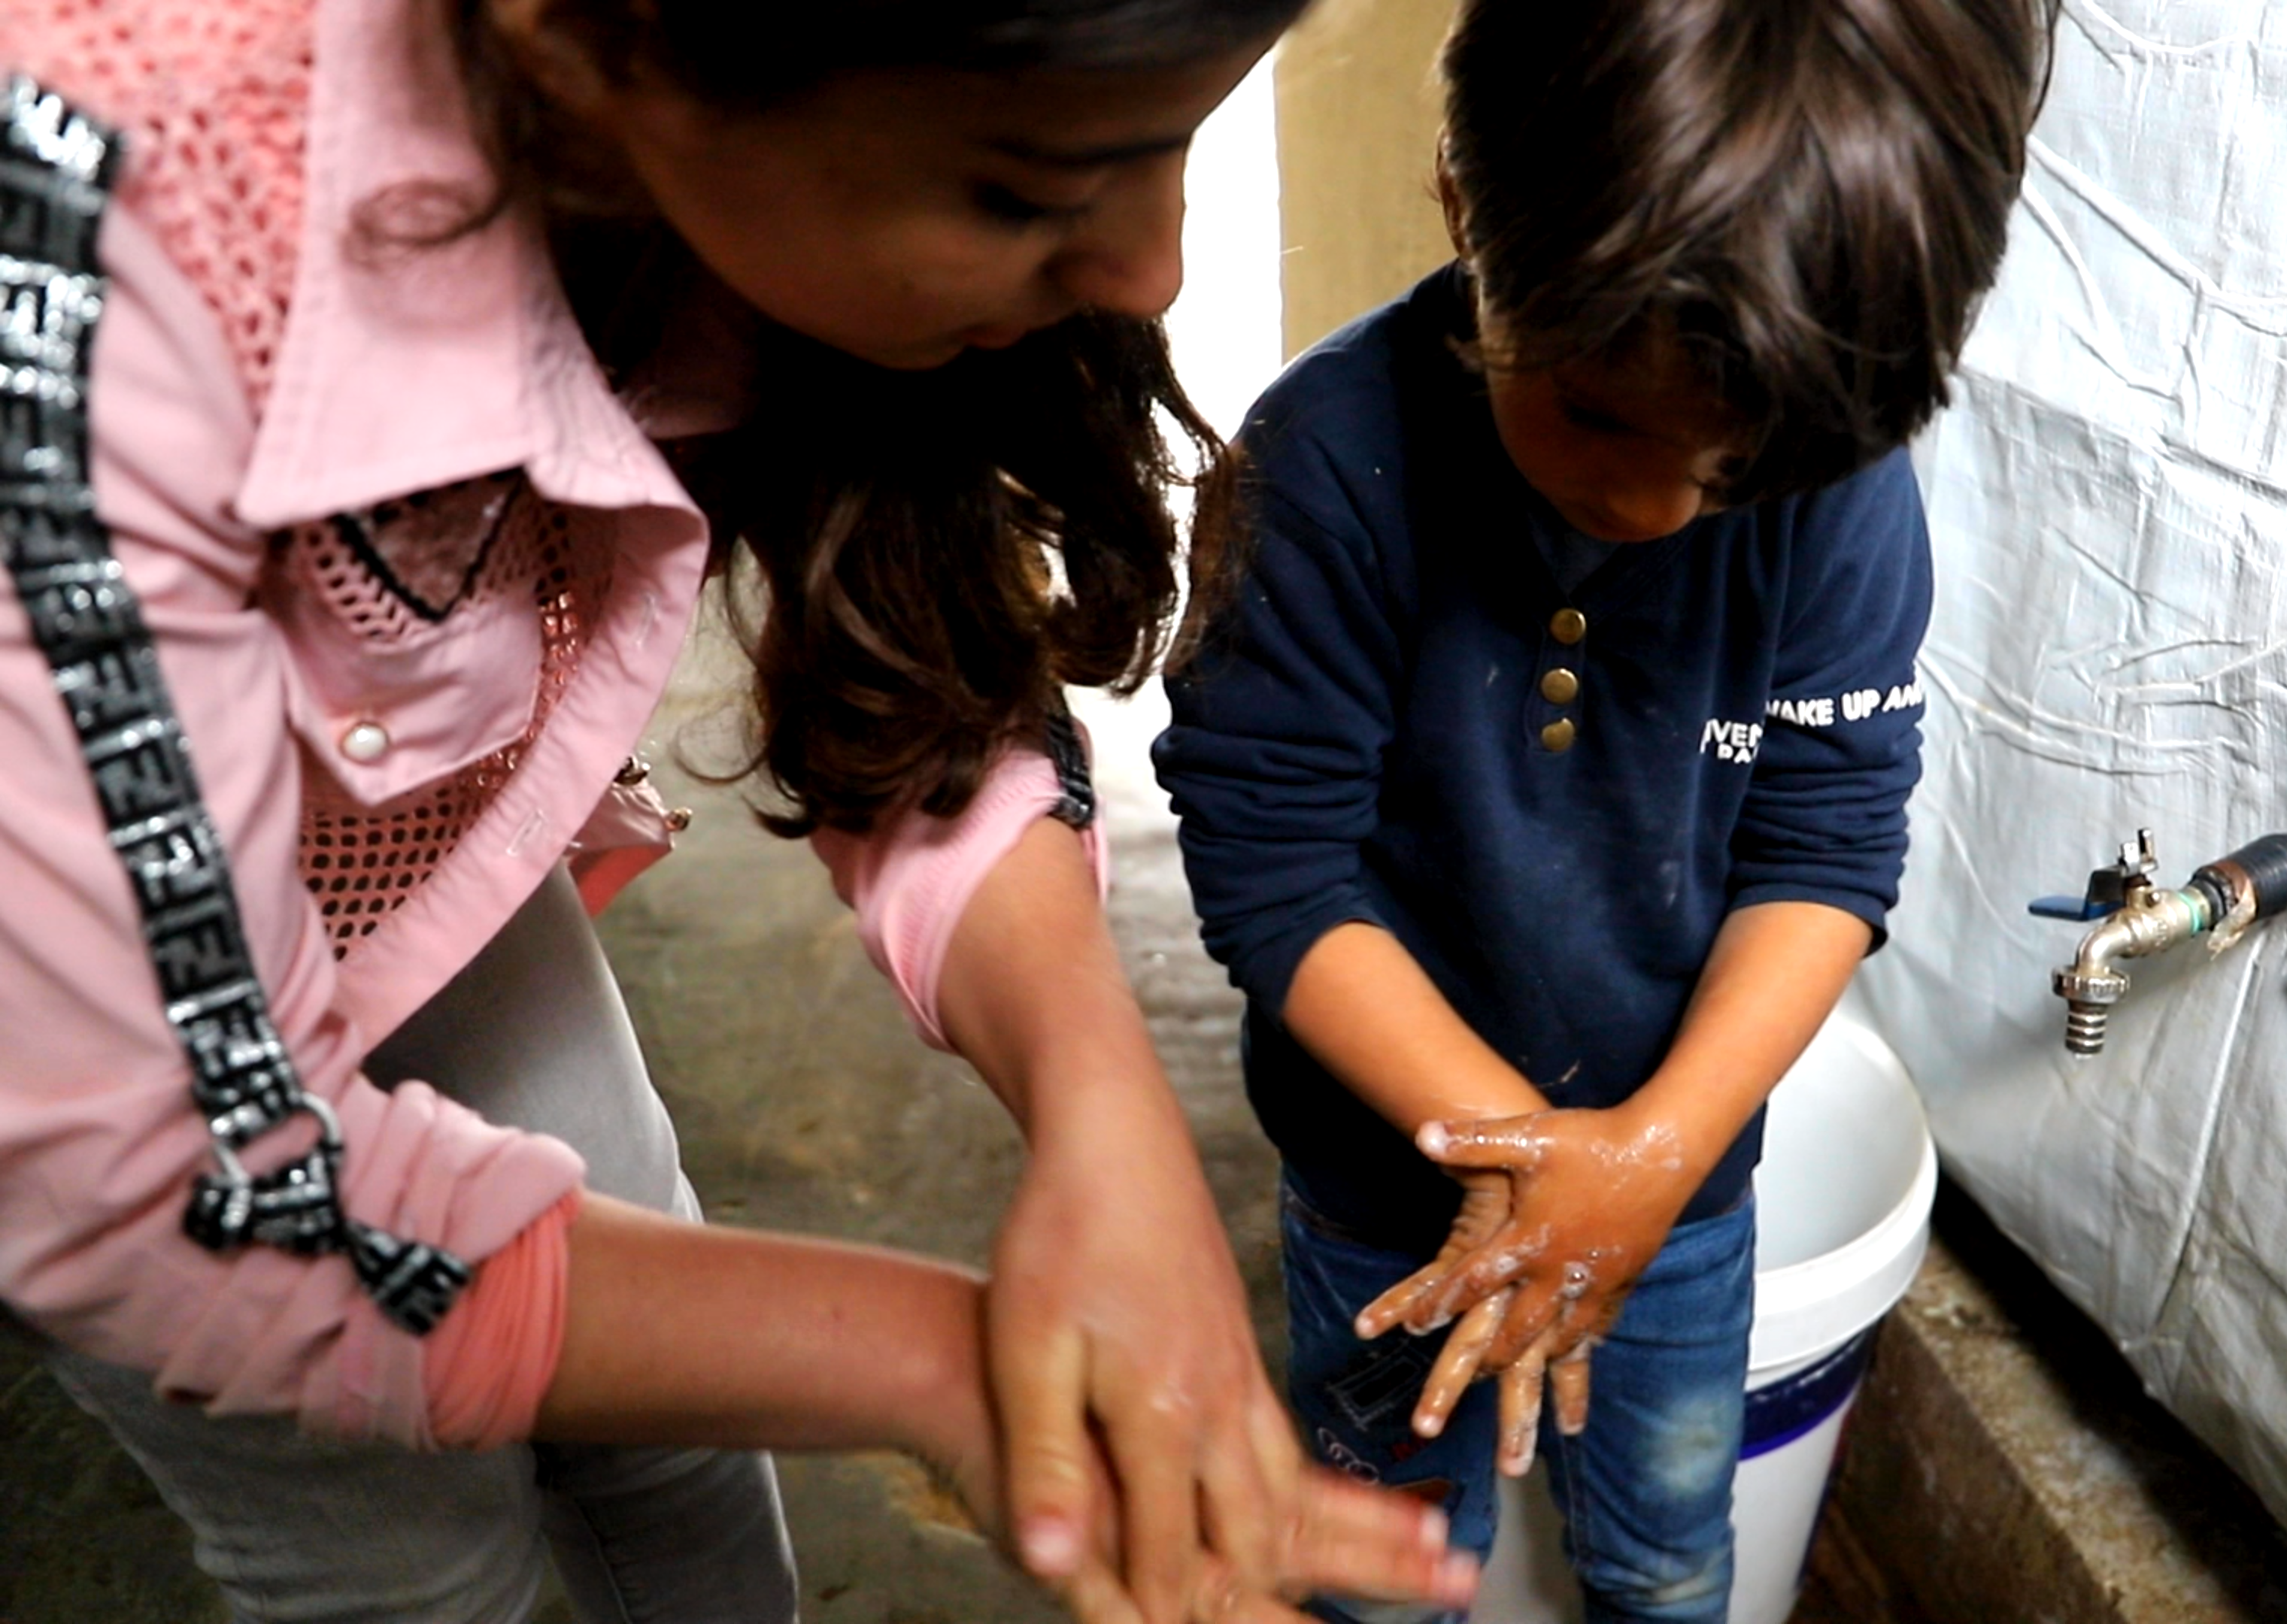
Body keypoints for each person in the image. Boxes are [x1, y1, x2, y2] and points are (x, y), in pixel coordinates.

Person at [0, 2, 1478, 1622]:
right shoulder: (86, 253)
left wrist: (1101, 1109)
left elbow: (916, 660)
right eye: (1025, 190)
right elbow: (175, 1196)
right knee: (407, 1563)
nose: (1153, 275)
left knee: (677, 1416)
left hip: (418, 877)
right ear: (594, 42)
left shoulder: (735, 163)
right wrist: (950, 1364)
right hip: (77, 1012)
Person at [1154, 0, 2048, 1616]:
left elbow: (1828, 846)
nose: (1654, 505)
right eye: (1596, 416)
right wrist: (1533, 1168)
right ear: (1462, 197)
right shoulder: (1316, 475)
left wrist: (1648, 1157)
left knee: (1665, 1549)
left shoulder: (1835, 487)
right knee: (1380, 1560)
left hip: (1681, 1199)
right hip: (1387, 1203)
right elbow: (1277, 870)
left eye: (1730, 469)